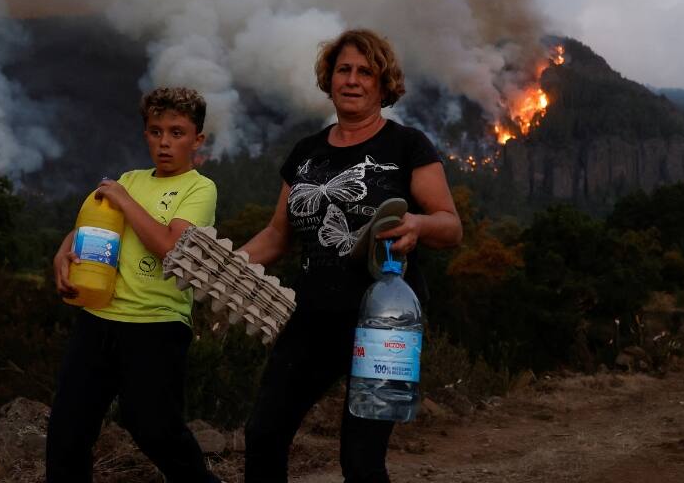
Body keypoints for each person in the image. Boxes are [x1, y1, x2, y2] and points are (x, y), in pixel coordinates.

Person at [239, 29, 463, 483]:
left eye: (366, 71)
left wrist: (418, 224)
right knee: (263, 435)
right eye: (344, 69)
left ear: (384, 85)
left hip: (383, 322)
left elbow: (451, 225)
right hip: (311, 318)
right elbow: (276, 236)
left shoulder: (407, 146)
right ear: (329, 78)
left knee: (360, 462)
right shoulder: (306, 152)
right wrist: (225, 266)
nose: (353, 79)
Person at [46, 87, 220, 483]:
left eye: (177, 133)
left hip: (156, 325)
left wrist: (125, 202)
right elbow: (88, 227)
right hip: (97, 318)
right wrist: (63, 252)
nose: (165, 142)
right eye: (156, 131)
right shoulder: (130, 179)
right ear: (145, 133)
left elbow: (170, 248)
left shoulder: (199, 188)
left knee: (155, 430)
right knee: (67, 434)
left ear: (197, 139)